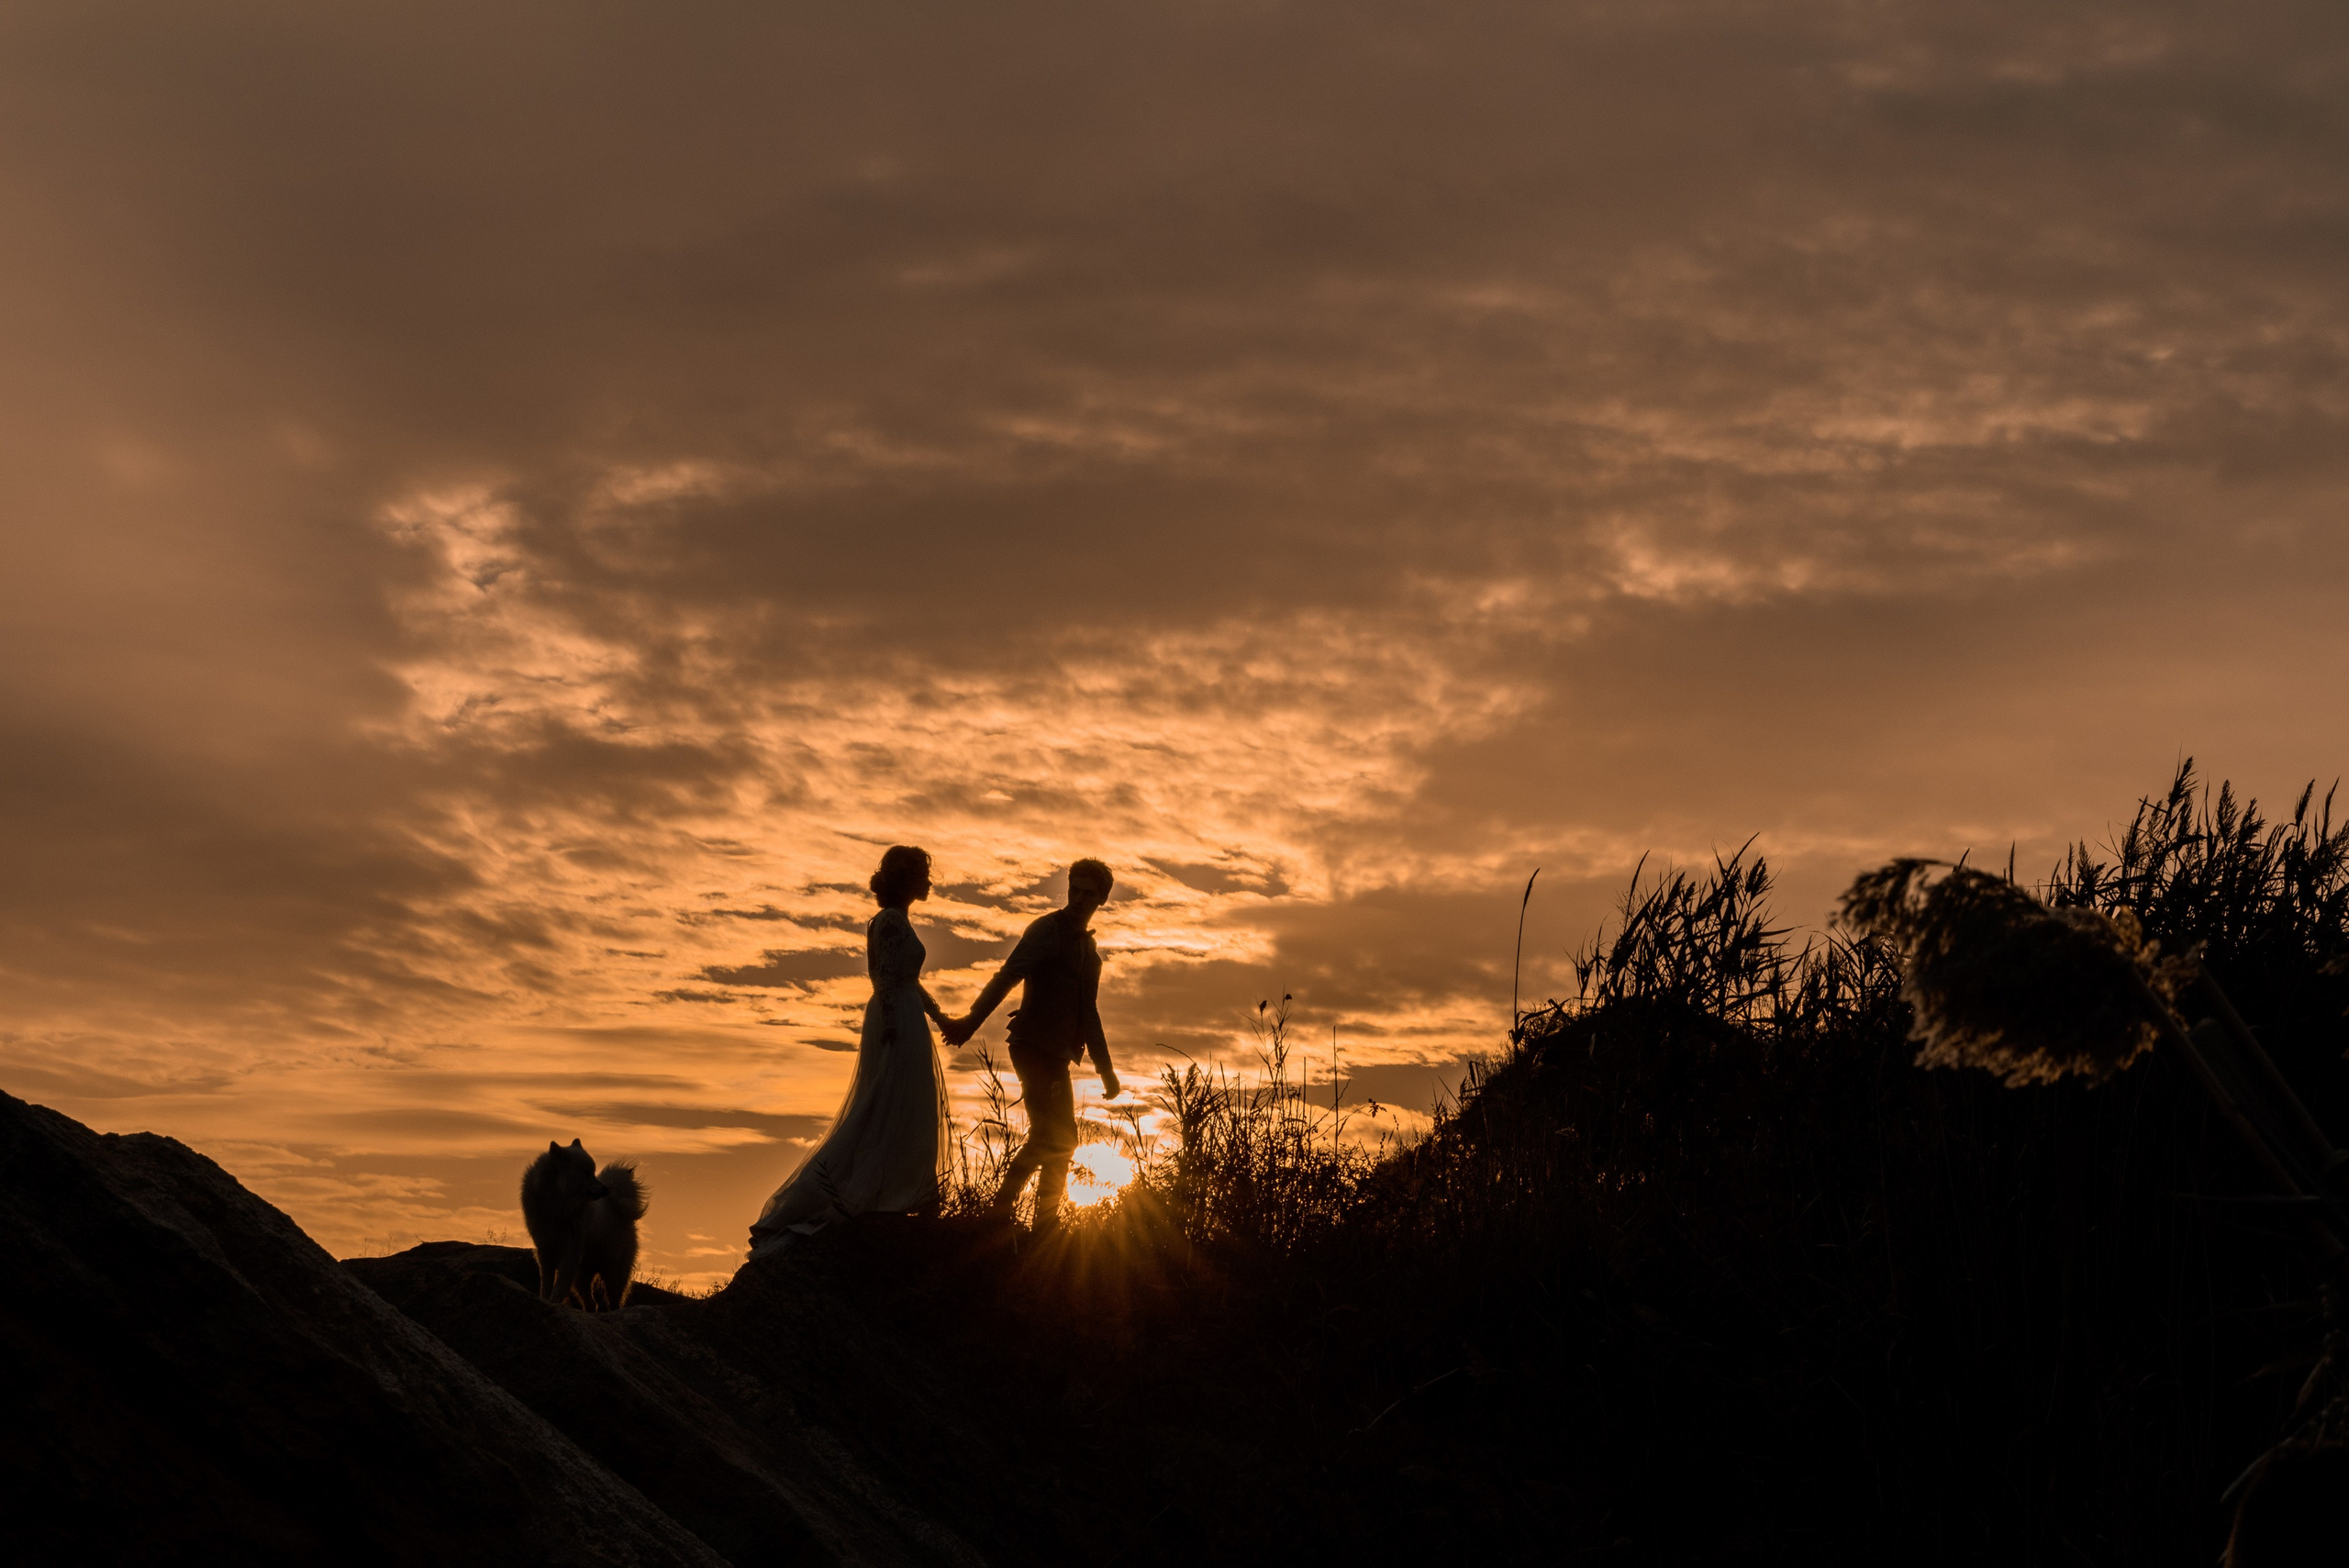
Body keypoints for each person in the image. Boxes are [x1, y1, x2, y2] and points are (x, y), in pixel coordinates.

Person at [747, 845, 950, 1257]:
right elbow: (885, 979)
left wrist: (940, 1018)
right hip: (897, 1019)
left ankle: (907, 1189)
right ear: (907, 880)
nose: (929, 882)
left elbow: (907, 980)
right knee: (888, 1103)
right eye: (923, 875)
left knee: (908, 1104)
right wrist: (892, 1025)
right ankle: (881, 1193)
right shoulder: (890, 920)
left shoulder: (895, 919)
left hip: (904, 1014)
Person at [942, 859, 1121, 1231]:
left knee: (1063, 1140)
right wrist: (971, 1022)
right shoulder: (1047, 929)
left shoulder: (1091, 954)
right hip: (1031, 1047)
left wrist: (1106, 1071)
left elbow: (1089, 1013)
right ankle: (1003, 1218)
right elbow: (1008, 976)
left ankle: (1041, 1225)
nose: (1079, 899)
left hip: (1058, 1056)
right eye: (1074, 890)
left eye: (1089, 894)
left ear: (1102, 899)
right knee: (1050, 1136)